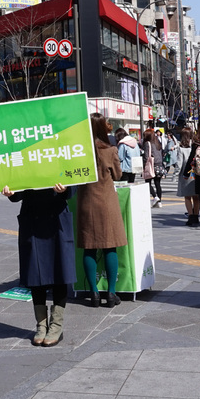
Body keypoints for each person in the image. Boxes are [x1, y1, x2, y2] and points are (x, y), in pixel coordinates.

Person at [2, 181, 75, 347]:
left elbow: (74, 186)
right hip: (32, 216)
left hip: (56, 216)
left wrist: (65, 189)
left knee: (60, 270)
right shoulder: (21, 154)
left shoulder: (62, 154)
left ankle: (56, 325)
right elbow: (19, 189)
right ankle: (41, 325)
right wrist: (12, 192)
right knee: (35, 271)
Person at [77, 113, 127, 308]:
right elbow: (117, 174)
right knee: (110, 246)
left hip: (86, 202)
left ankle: (94, 293)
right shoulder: (110, 150)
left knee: (89, 247)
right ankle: (111, 293)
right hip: (107, 202)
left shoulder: (80, 151)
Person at [175, 126, 198, 224]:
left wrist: (175, 174)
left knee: (187, 197)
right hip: (196, 174)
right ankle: (196, 216)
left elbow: (179, 164)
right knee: (196, 197)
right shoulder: (196, 145)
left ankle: (191, 216)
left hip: (186, 174)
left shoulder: (181, 148)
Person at [142, 127, 164, 207]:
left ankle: (155, 197)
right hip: (159, 165)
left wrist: (144, 166)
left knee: (147, 182)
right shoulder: (157, 142)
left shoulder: (147, 143)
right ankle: (159, 201)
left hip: (152, 165)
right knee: (157, 183)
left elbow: (146, 156)